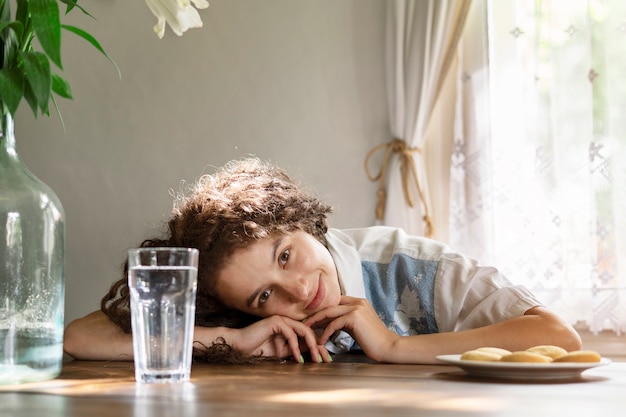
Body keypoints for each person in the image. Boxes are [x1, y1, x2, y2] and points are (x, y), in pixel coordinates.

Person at [63, 158, 581, 364]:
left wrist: (395, 345)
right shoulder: (249, 322)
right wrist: (235, 339)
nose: (295, 292)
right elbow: (80, 338)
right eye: (264, 295)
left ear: (304, 223)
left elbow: (556, 335)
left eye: (285, 255)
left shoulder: (410, 266)